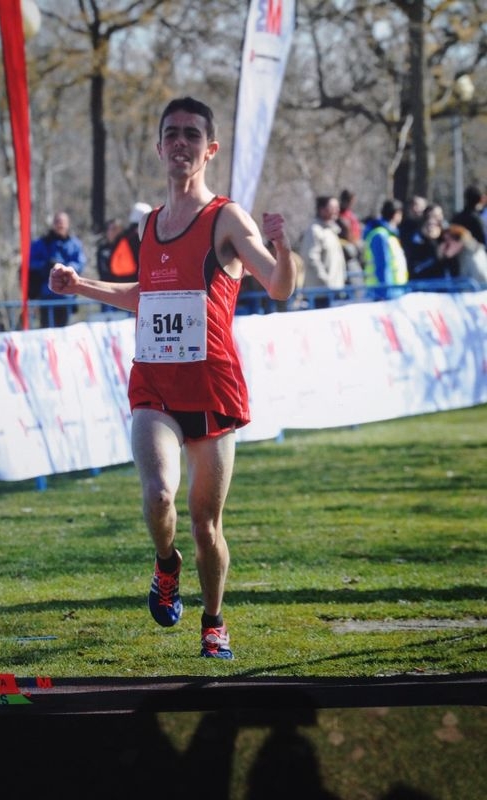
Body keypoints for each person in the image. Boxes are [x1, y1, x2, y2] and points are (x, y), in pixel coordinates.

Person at [49, 96, 297, 659]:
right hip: (155, 385)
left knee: (206, 525)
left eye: (192, 134)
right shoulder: (150, 224)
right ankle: (166, 565)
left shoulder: (226, 218)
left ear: (209, 150)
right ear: (161, 147)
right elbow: (145, 297)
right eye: (171, 134)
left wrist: (283, 247)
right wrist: (81, 285)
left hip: (211, 389)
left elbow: (279, 287)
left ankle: (213, 619)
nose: (181, 142)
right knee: (159, 495)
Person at [29, 210, 87, 327]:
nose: (60, 225)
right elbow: (30, 262)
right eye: (57, 222)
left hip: (67, 295)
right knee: (46, 330)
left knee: (65, 330)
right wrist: (45, 265)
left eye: (63, 222)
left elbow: (80, 263)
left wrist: (66, 267)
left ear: (68, 224)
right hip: (46, 295)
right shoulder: (42, 243)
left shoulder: (75, 244)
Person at [301, 195, 347, 308]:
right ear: (322, 210)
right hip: (320, 294)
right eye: (333, 207)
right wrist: (326, 280)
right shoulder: (315, 230)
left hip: (334, 290)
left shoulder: (331, 230)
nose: (337, 210)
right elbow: (311, 257)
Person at [363, 199, 408, 299]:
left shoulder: (390, 235)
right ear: (397, 214)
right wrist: (385, 292)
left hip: (396, 290)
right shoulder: (381, 235)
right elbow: (382, 265)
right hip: (384, 293)